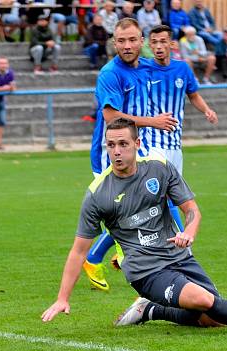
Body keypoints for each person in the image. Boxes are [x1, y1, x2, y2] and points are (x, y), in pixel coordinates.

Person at [41, 118, 227, 333]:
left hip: (179, 257)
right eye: (111, 145)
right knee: (205, 301)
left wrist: (189, 232)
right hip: (146, 270)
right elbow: (78, 251)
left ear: (137, 142)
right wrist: (63, 298)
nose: (116, 151)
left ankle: (151, 310)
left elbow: (192, 210)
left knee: (213, 318)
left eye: (123, 144)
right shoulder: (98, 193)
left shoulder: (159, 168)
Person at [81, 18, 178, 291]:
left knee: (159, 199)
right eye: (121, 41)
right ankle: (97, 256)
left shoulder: (146, 66)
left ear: (141, 41)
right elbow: (111, 116)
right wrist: (154, 121)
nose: (127, 45)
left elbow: (168, 66)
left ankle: (131, 255)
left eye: (133, 40)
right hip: (110, 151)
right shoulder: (110, 74)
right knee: (122, 211)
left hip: (137, 148)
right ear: (114, 42)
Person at [147, 24, 217, 232]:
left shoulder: (182, 68)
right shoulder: (143, 69)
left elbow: (193, 94)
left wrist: (206, 110)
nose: (159, 46)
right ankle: (182, 245)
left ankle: (176, 244)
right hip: (152, 143)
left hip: (175, 145)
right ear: (149, 45)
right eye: (154, 42)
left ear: (172, 44)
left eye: (163, 41)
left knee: (172, 196)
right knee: (157, 197)